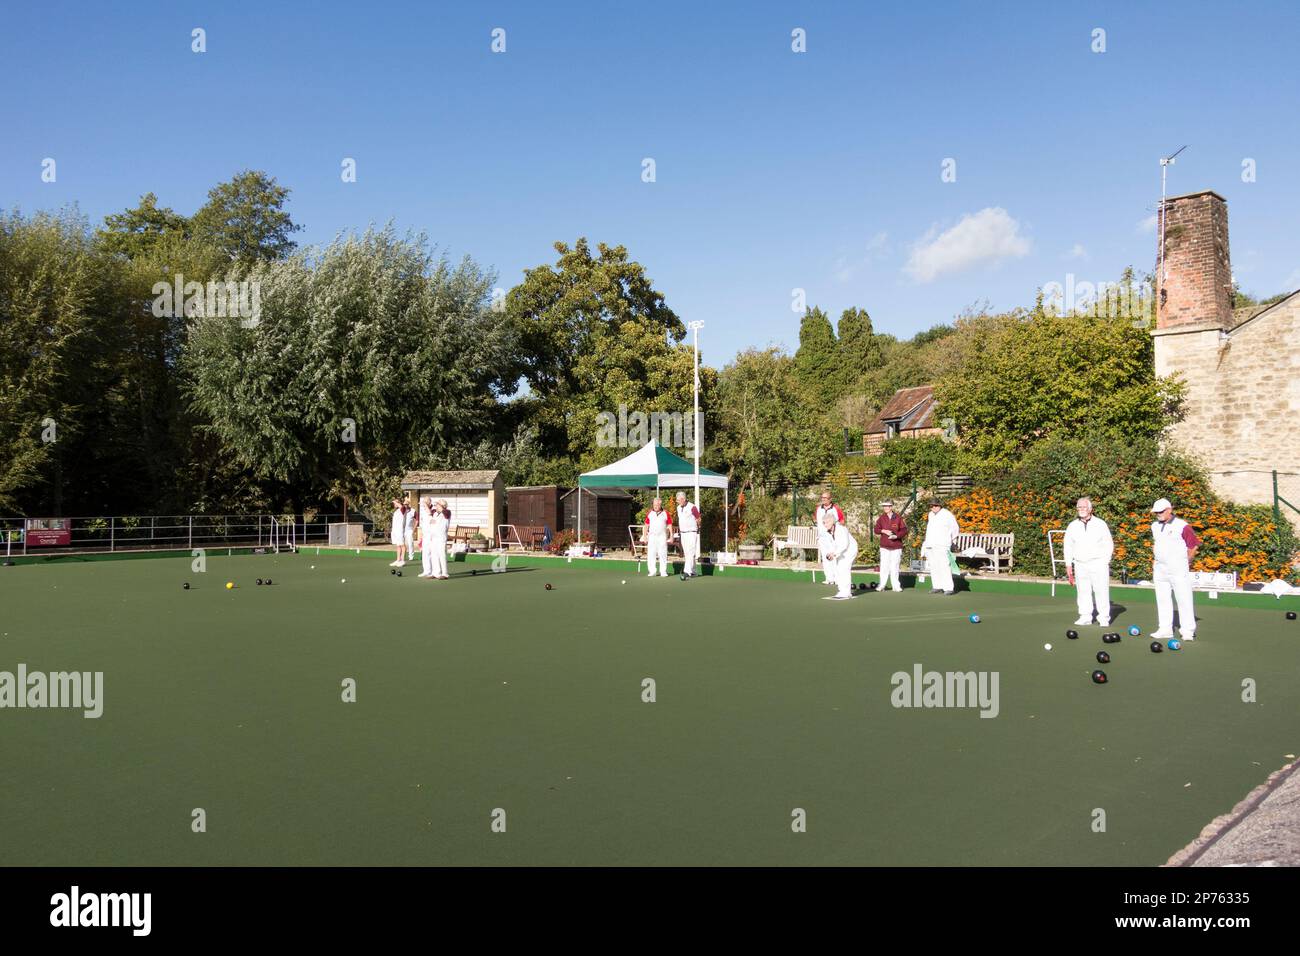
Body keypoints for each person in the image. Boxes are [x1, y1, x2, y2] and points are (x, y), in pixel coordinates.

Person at [1150, 497, 1199, 640]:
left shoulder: (1182, 526)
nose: (1158, 514)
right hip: (1160, 568)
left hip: (1178, 568)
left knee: (1184, 599)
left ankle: (1188, 631)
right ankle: (1165, 629)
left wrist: (1186, 562)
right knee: (1162, 599)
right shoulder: (1154, 526)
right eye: (1156, 512)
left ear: (1169, 510)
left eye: (1161, 511)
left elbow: (1193, 545)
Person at [1063, 496, 1113, 627]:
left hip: (1098, 563)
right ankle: (1085, 616)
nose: (1081, 509)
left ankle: (1104, 618)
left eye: (1084, 507)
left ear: (1090, 509)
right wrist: (1068, 564)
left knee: (1101, 590)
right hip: (1080, 563)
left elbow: (1108, 543)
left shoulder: (1100, 524)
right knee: (1083, 591)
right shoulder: (1072, 526)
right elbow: (1068, 546)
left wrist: (1105, 561)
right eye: (1079, 507)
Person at [921, 499, 960, 595]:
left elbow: (955, 528)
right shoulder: (930, 514)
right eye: (931, 506)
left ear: (940, 505)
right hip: (931, 544)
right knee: (933, 566)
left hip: (943, 544)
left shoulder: (947, 514)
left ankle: (948, 588)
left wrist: (951, 541)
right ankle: (937, 586)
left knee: (944, 566)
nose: (933, 507)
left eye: (935, 505)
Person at [873, 498, 907, 592]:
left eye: (887, 506)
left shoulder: (898, 518)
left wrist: (896, 536)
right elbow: (876, 530)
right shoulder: (881, 518)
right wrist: (883, 530)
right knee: (884, 566)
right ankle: (882, 585)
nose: (885, 508)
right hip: (884, 546)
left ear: (891, 507)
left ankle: (896, 586)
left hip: (896, 546)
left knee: (894, 566)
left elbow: (904, 530)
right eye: (884, 506)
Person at [823, 512, 859, 599]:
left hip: (850, 550)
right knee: (838, 569)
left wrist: (834, 553)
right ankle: (842, 590)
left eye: (827, 522)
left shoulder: (841, 529)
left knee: (844, 569)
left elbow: (844, 544)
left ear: (832, 522)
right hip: (841, 552)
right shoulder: (828, 532)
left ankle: (846, 592)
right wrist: (830, 553)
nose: (825, 524)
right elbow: (831, 545)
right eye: (824, 523)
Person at [815, 490, 846, 587]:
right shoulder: (818, 509)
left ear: (830, 499)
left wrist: (836, 530)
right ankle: (829, 578)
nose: (823, 500)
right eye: (822, 498)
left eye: (825, 498)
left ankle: (837, 579)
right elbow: (818, 521)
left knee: (834, 556)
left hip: (833, 537)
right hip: (822, 537)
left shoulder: (836, 508)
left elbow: (842, 520)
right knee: (825, 557)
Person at [422, 498, 451, 580]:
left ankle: (445, 574)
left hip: (441, 538)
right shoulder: (435, 514)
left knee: (442, 555)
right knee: (434, 556)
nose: (436, 506)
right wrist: (425, 504)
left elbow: (445, 511)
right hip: (433, 538)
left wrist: (440, 505)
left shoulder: (447, 513)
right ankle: (436, 573)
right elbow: (429, 513)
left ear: (442, 505)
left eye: (437, 504)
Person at [675, 491, 701, 577]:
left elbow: (698, 518)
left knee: (690, 552)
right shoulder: (678, 508)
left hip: (691, 532)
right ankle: (693, 571)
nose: (677, 501)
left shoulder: (692, 507)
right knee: (687, 553)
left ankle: (687, 572)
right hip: (683, 533)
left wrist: (698, 527)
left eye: (678, 500)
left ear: (683, 499)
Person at [644, 497, 672, 578]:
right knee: (651, 554)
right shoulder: (650, 513)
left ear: (660, 505)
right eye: (654, 504)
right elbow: (646, 525)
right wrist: (645, 536)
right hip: (652, 536)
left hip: (662, 536)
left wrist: (671, 535)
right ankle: (652, 571)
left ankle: (663, 571)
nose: (655, 506)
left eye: (657, 505)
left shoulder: (665, 513)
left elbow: (669, 524)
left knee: (662, 554)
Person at [389, 498, 407, 567]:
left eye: (395, 503)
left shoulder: (403, 509)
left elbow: (401, 506)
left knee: (402, 545)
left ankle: (402, 560)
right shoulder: (396, 511)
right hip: (395, 530)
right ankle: (398, 560)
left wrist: (396, 502)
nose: (394, 504)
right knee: (398, 545)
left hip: (400, 530)